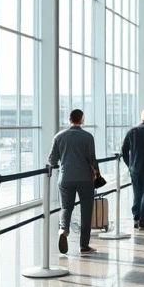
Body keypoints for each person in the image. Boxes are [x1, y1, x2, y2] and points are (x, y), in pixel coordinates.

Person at [48, 108, 100, 255]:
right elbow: (92, 159)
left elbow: (52, 159)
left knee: (66, 207)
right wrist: (97, 175)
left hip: (65, 178)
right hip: (84, 178)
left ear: (69, 119)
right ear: (82, 119)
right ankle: (84, 245)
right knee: (86, 210)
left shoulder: (59, 136)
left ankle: (63, 229)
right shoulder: (87, 137)